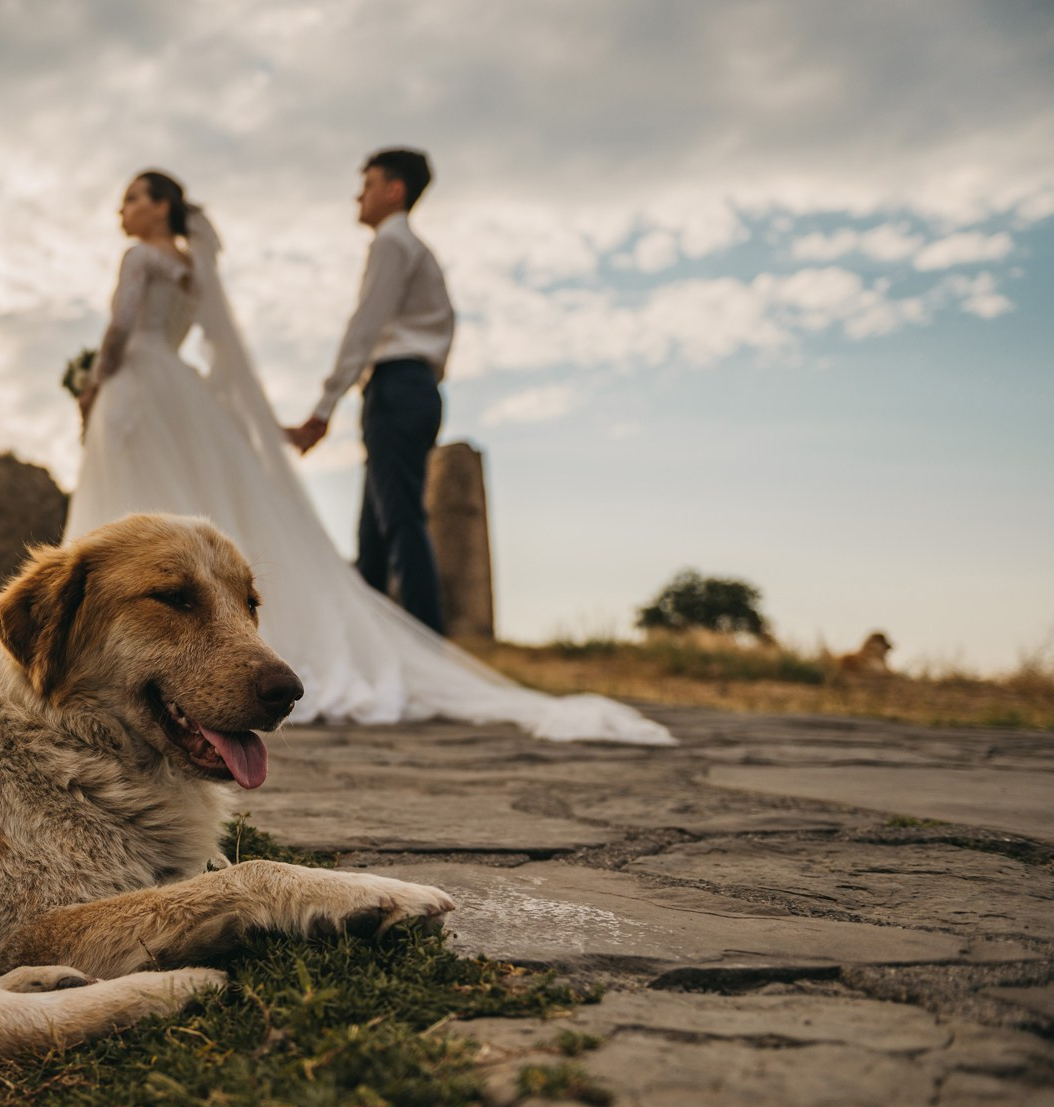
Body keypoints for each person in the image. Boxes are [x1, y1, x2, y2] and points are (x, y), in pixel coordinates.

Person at [64, 169, 671, 744]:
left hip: (144, 384)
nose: (124, 209)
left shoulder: (141, 257)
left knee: (135, 504)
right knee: (251, 509)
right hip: (185, 388)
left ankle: (97, 641)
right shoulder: (195, 272)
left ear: (162, 205)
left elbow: (121, 329)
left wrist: (95, 382)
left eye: (133, 198)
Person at [286, 148, 452, 634]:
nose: (359, 194)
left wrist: (322, 408)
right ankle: (375, 648)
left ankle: (427, 648)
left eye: (369, 183)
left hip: (398, 387)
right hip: (407, 388)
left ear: (394, 190)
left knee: (399, 523)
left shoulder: (392, 243)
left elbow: (364, 328)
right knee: (375, 533)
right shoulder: (412, 249)